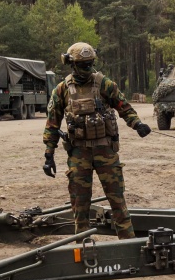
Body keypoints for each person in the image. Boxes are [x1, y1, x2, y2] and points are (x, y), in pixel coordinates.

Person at [42, 42, 151, 239]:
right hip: (78, 154)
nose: (88, 69)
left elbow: (124, 107)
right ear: (72, 64)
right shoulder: (62, 90)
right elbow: (52, 123)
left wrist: (137, 124)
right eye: (83, 65)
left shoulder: (104, 84)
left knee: (117, 200)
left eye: (90, 64)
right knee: (80, 204)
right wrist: (48, 155)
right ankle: (83, 247)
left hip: (105, 151)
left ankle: (129, 245)